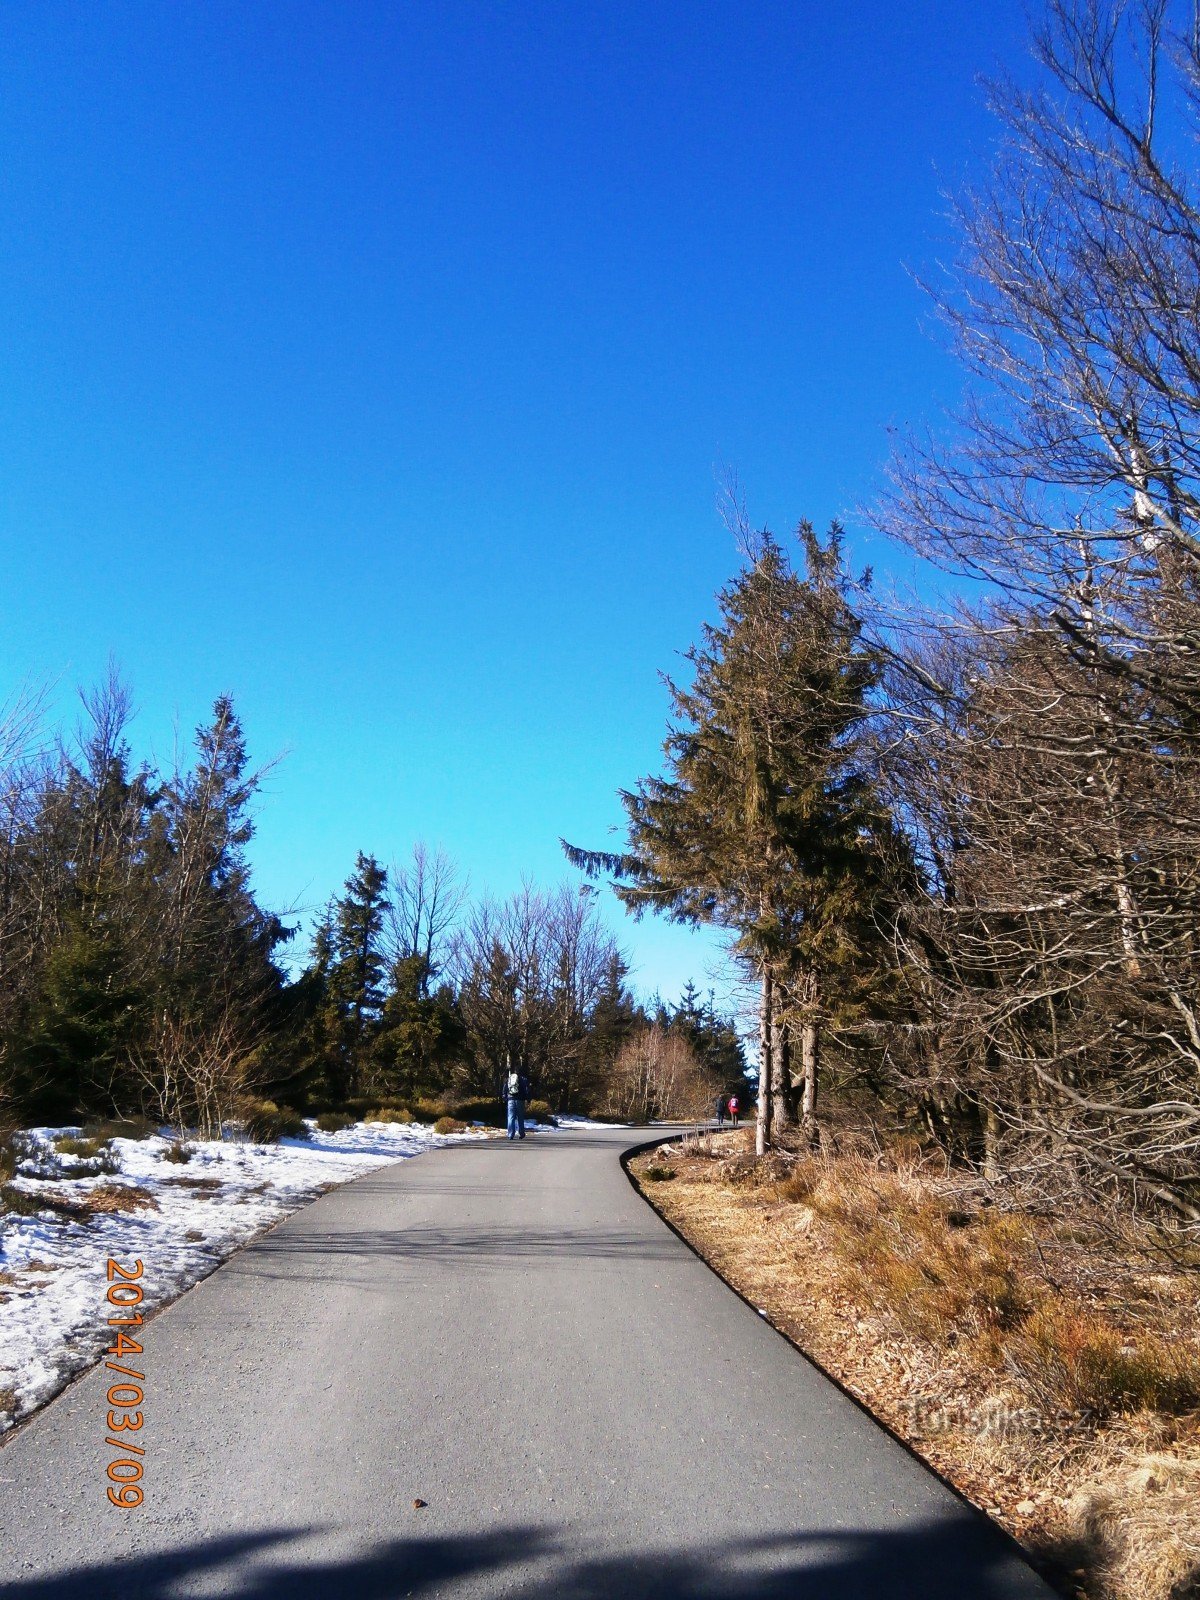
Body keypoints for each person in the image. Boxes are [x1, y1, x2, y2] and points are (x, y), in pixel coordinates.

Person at [505, 1060, 530, 1140]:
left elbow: (505, 1089)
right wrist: (528, 1099)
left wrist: (505, 1097)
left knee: (511, 1117)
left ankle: (510, 1134)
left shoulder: (509, 1078)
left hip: (510, 1100)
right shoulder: (523, 1079)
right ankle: (521, 1133)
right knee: (520, 1117)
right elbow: (527, 1090)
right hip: (520, 1100)